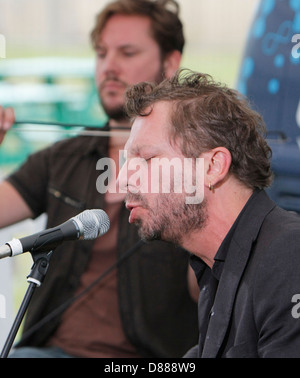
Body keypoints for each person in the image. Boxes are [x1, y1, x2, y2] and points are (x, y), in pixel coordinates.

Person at [0, 0, 199, 358]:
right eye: (102, 53)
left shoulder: (195, 167)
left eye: (127, 52)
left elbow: (211, 292)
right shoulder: (64, 158)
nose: (109, 66)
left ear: (170, 63)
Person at [119, 68, 300, 358]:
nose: (122, 180)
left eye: (148, 159)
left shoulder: (289, 257)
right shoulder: (217, 266)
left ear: (213, 167)